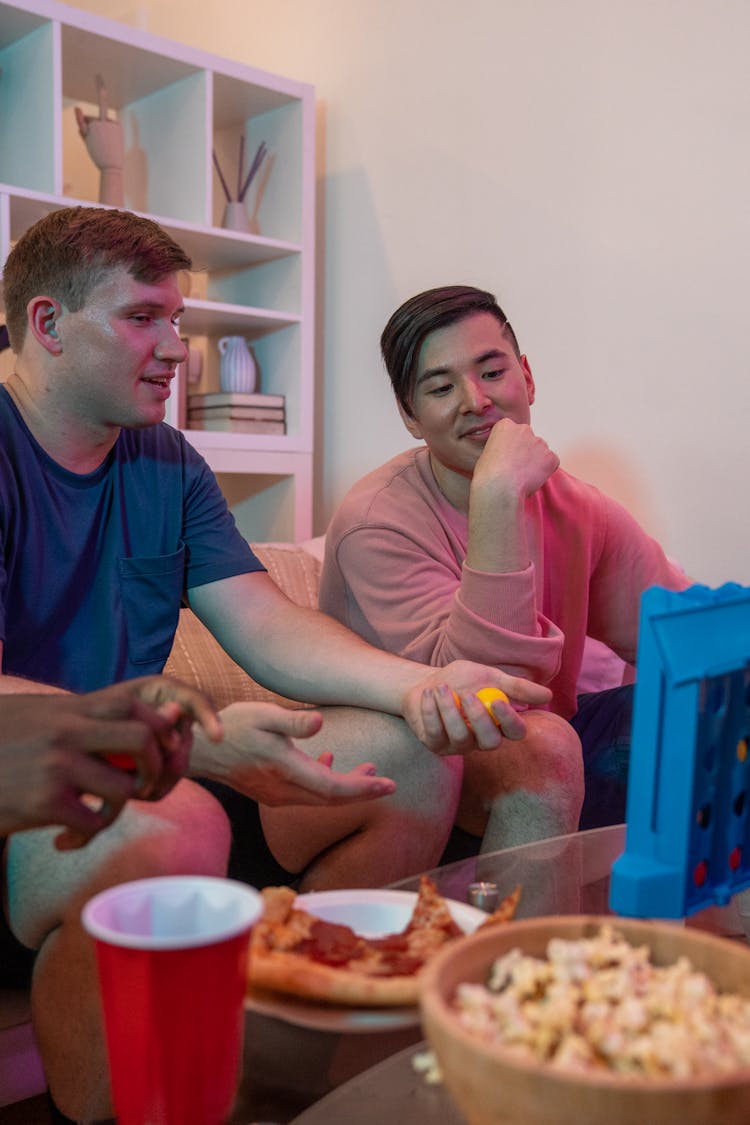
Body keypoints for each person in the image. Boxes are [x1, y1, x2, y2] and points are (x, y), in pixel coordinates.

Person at [0, 211, 558, 1122]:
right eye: (145, 318)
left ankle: (279, 1073)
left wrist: (419, 686)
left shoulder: (163, 458)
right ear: (48, 323)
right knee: (168, 818)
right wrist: (178, 741)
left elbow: (264, 622)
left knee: (413, 752)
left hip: (150, 765)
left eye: (176, 320)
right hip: (31, 800)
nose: (175, 347)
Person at [320, 284, 690, 840]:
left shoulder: (575, 504)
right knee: (540, 742)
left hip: (549, 738)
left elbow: (678, 630)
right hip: (420, 761)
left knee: (713, 703)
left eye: (492, 373)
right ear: (411, 417)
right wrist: (496, 496)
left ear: (528, 378)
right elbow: (487, 702)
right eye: (442, 387)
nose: (476, 400)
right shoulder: (375, 521)